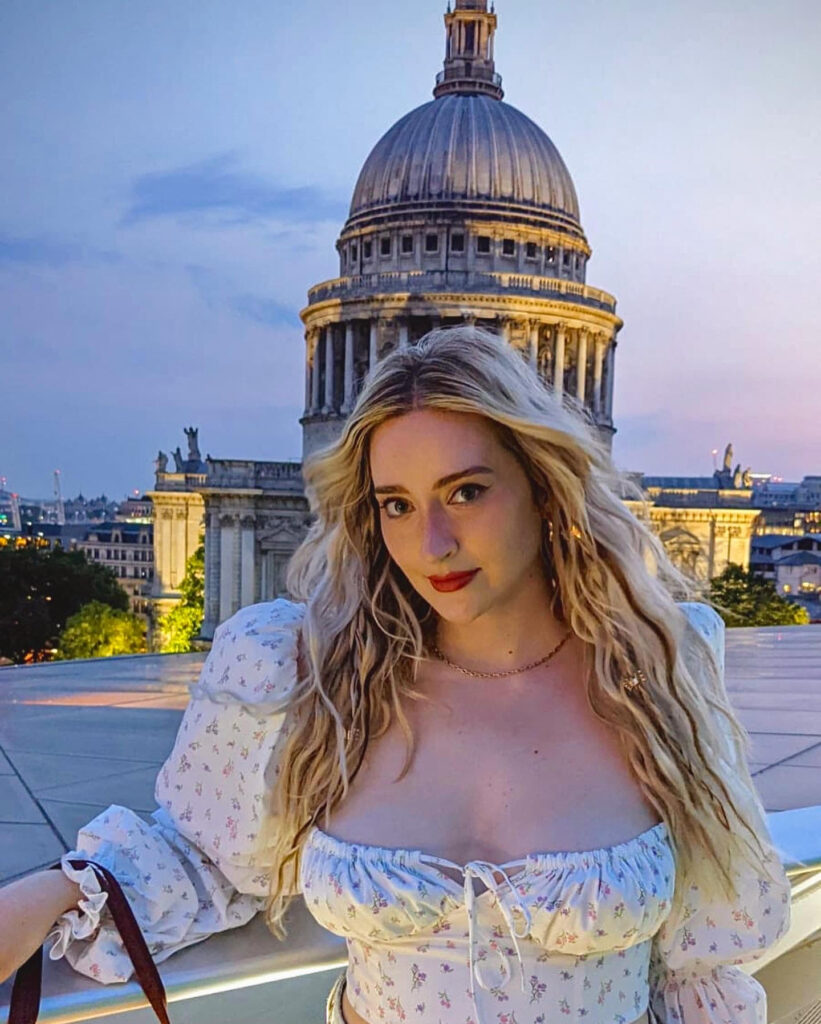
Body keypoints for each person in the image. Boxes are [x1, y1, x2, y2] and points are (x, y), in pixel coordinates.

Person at [0, 327, 791, 1024]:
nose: (433, 544)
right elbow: (203, 853)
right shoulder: (305, 672)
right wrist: (42, 898)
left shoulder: (656, 665)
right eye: (397, 505)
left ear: (545, 489)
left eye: (467, 492)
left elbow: (700, 969)